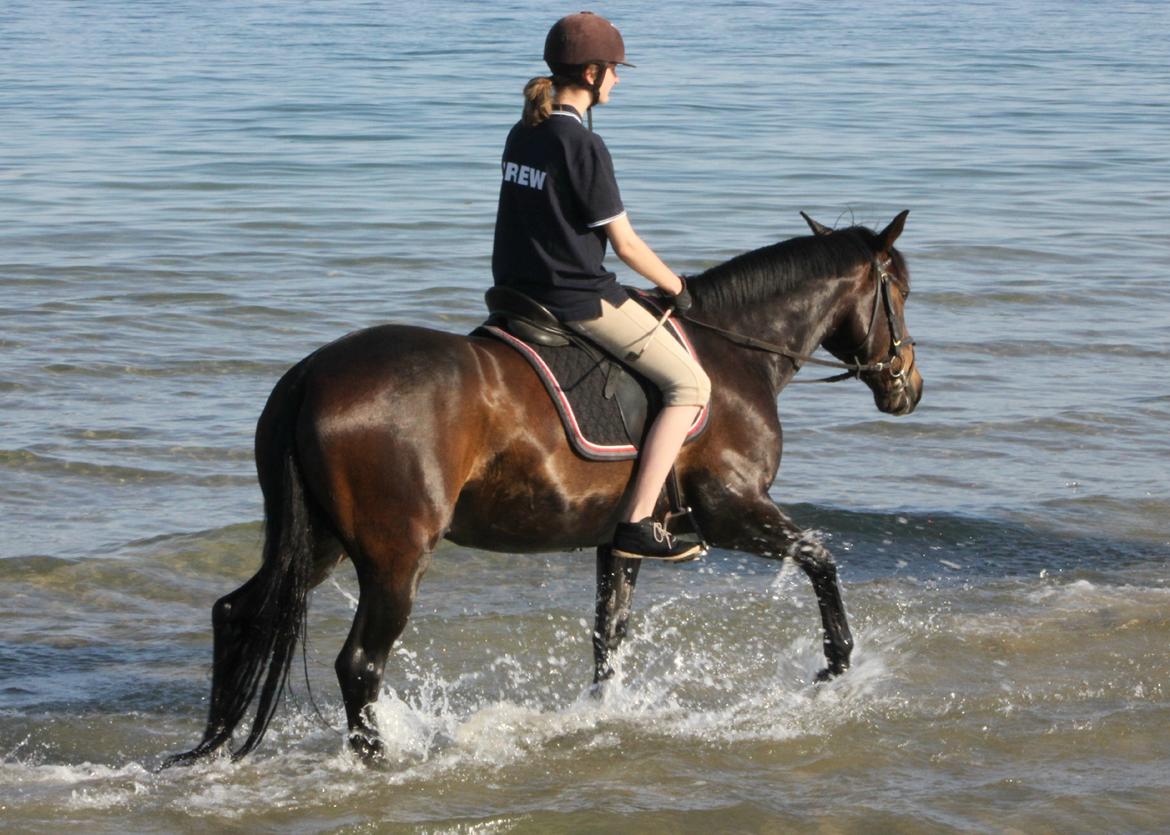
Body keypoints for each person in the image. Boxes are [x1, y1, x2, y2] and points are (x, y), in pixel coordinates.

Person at [492, 11, 711, 561]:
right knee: (690, 385)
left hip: (518, 292)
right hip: (575, 298)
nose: (617, 80)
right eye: (614, 70)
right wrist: (678, 287)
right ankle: (637, 524)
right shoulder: (584, 145)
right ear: (591, 73)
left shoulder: (524, 132)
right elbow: (627, 246)